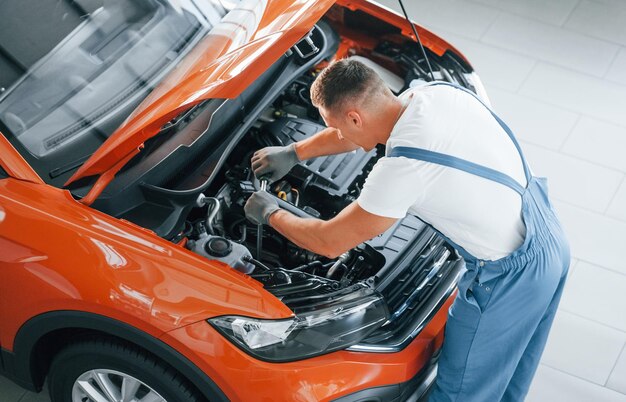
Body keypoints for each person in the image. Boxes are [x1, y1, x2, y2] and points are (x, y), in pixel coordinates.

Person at [244, 59, 570, 402]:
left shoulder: (404, 168)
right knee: (507, 375)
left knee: (459, 394)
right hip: (546, 233)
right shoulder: (431, 94)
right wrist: (295, 152)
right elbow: (356, 135)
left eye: (337, 126)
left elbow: (330, 241)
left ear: (355, 117)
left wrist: (269, 213)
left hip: (510, 276)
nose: (339, 134)